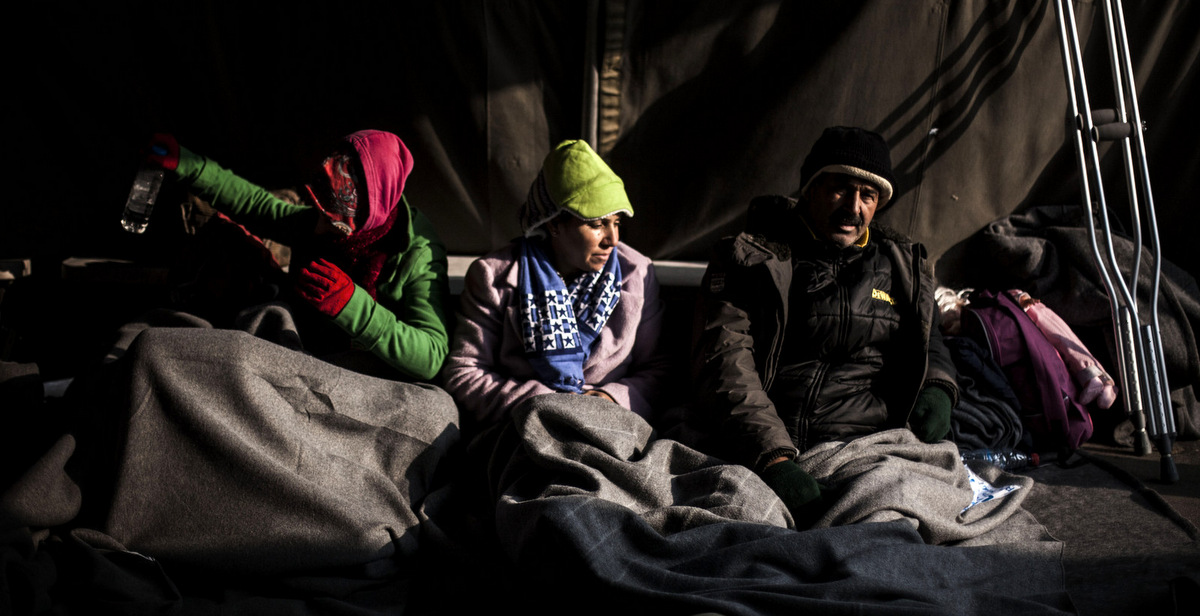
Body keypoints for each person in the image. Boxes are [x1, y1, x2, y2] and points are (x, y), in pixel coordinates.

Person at [689, 126, 958, 525]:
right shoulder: (751, 259)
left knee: (900, 519)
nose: (854, 207)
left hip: (868, 448)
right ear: (810, 188)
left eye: (868, 196)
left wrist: (939, 384)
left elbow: (927, 336)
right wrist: (774, 459)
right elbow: (725, 365)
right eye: (840, 188)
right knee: (735, 529)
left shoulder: (900, 266)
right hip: (766, 447)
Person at [145, 129, 451, 381]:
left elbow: (432, 355)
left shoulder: (418, 254)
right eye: (316, 211)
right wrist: (185, 163)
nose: (317, 229)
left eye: (332, 223)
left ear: (370, 215)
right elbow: (256, 205)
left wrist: (352, 306)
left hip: (362, 374)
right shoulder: (316, 225)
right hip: (298, 354)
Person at [442, 139, 670, 429]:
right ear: (553, 224)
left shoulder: (636, 273)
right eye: (597, 224)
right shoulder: (494, 276)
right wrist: (547, 408)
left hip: (613, 427)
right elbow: (465, 371)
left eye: (617, 223)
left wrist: (608, 400)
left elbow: (658, 370)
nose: (612, 239)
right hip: (522, 430)